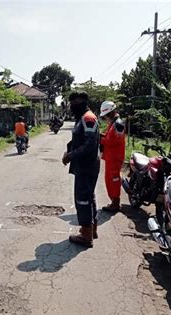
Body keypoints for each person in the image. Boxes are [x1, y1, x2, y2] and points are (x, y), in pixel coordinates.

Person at [62, 91, 101, 248]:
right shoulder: (83, 118)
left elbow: (90, 145)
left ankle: (86, 235)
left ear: (82, 102)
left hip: (87, 165)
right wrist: (70, 150)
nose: (72, 106)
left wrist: (71, 155)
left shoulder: (88, 118)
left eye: (74, 103)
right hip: (85, 164)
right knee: (88, 197)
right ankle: (92, 230)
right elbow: (80, 139)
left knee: (82, 199)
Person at [99, 101, 126, 212]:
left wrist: (99, 138)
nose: (105, 118)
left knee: (114, 180)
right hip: (111, 156)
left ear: (110, 113)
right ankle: (113, 201)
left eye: (106, 116)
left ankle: (115, 203)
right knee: (109, 179)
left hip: (115, 156)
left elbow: (112, 141)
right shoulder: (114, 123)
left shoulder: (118, 124)